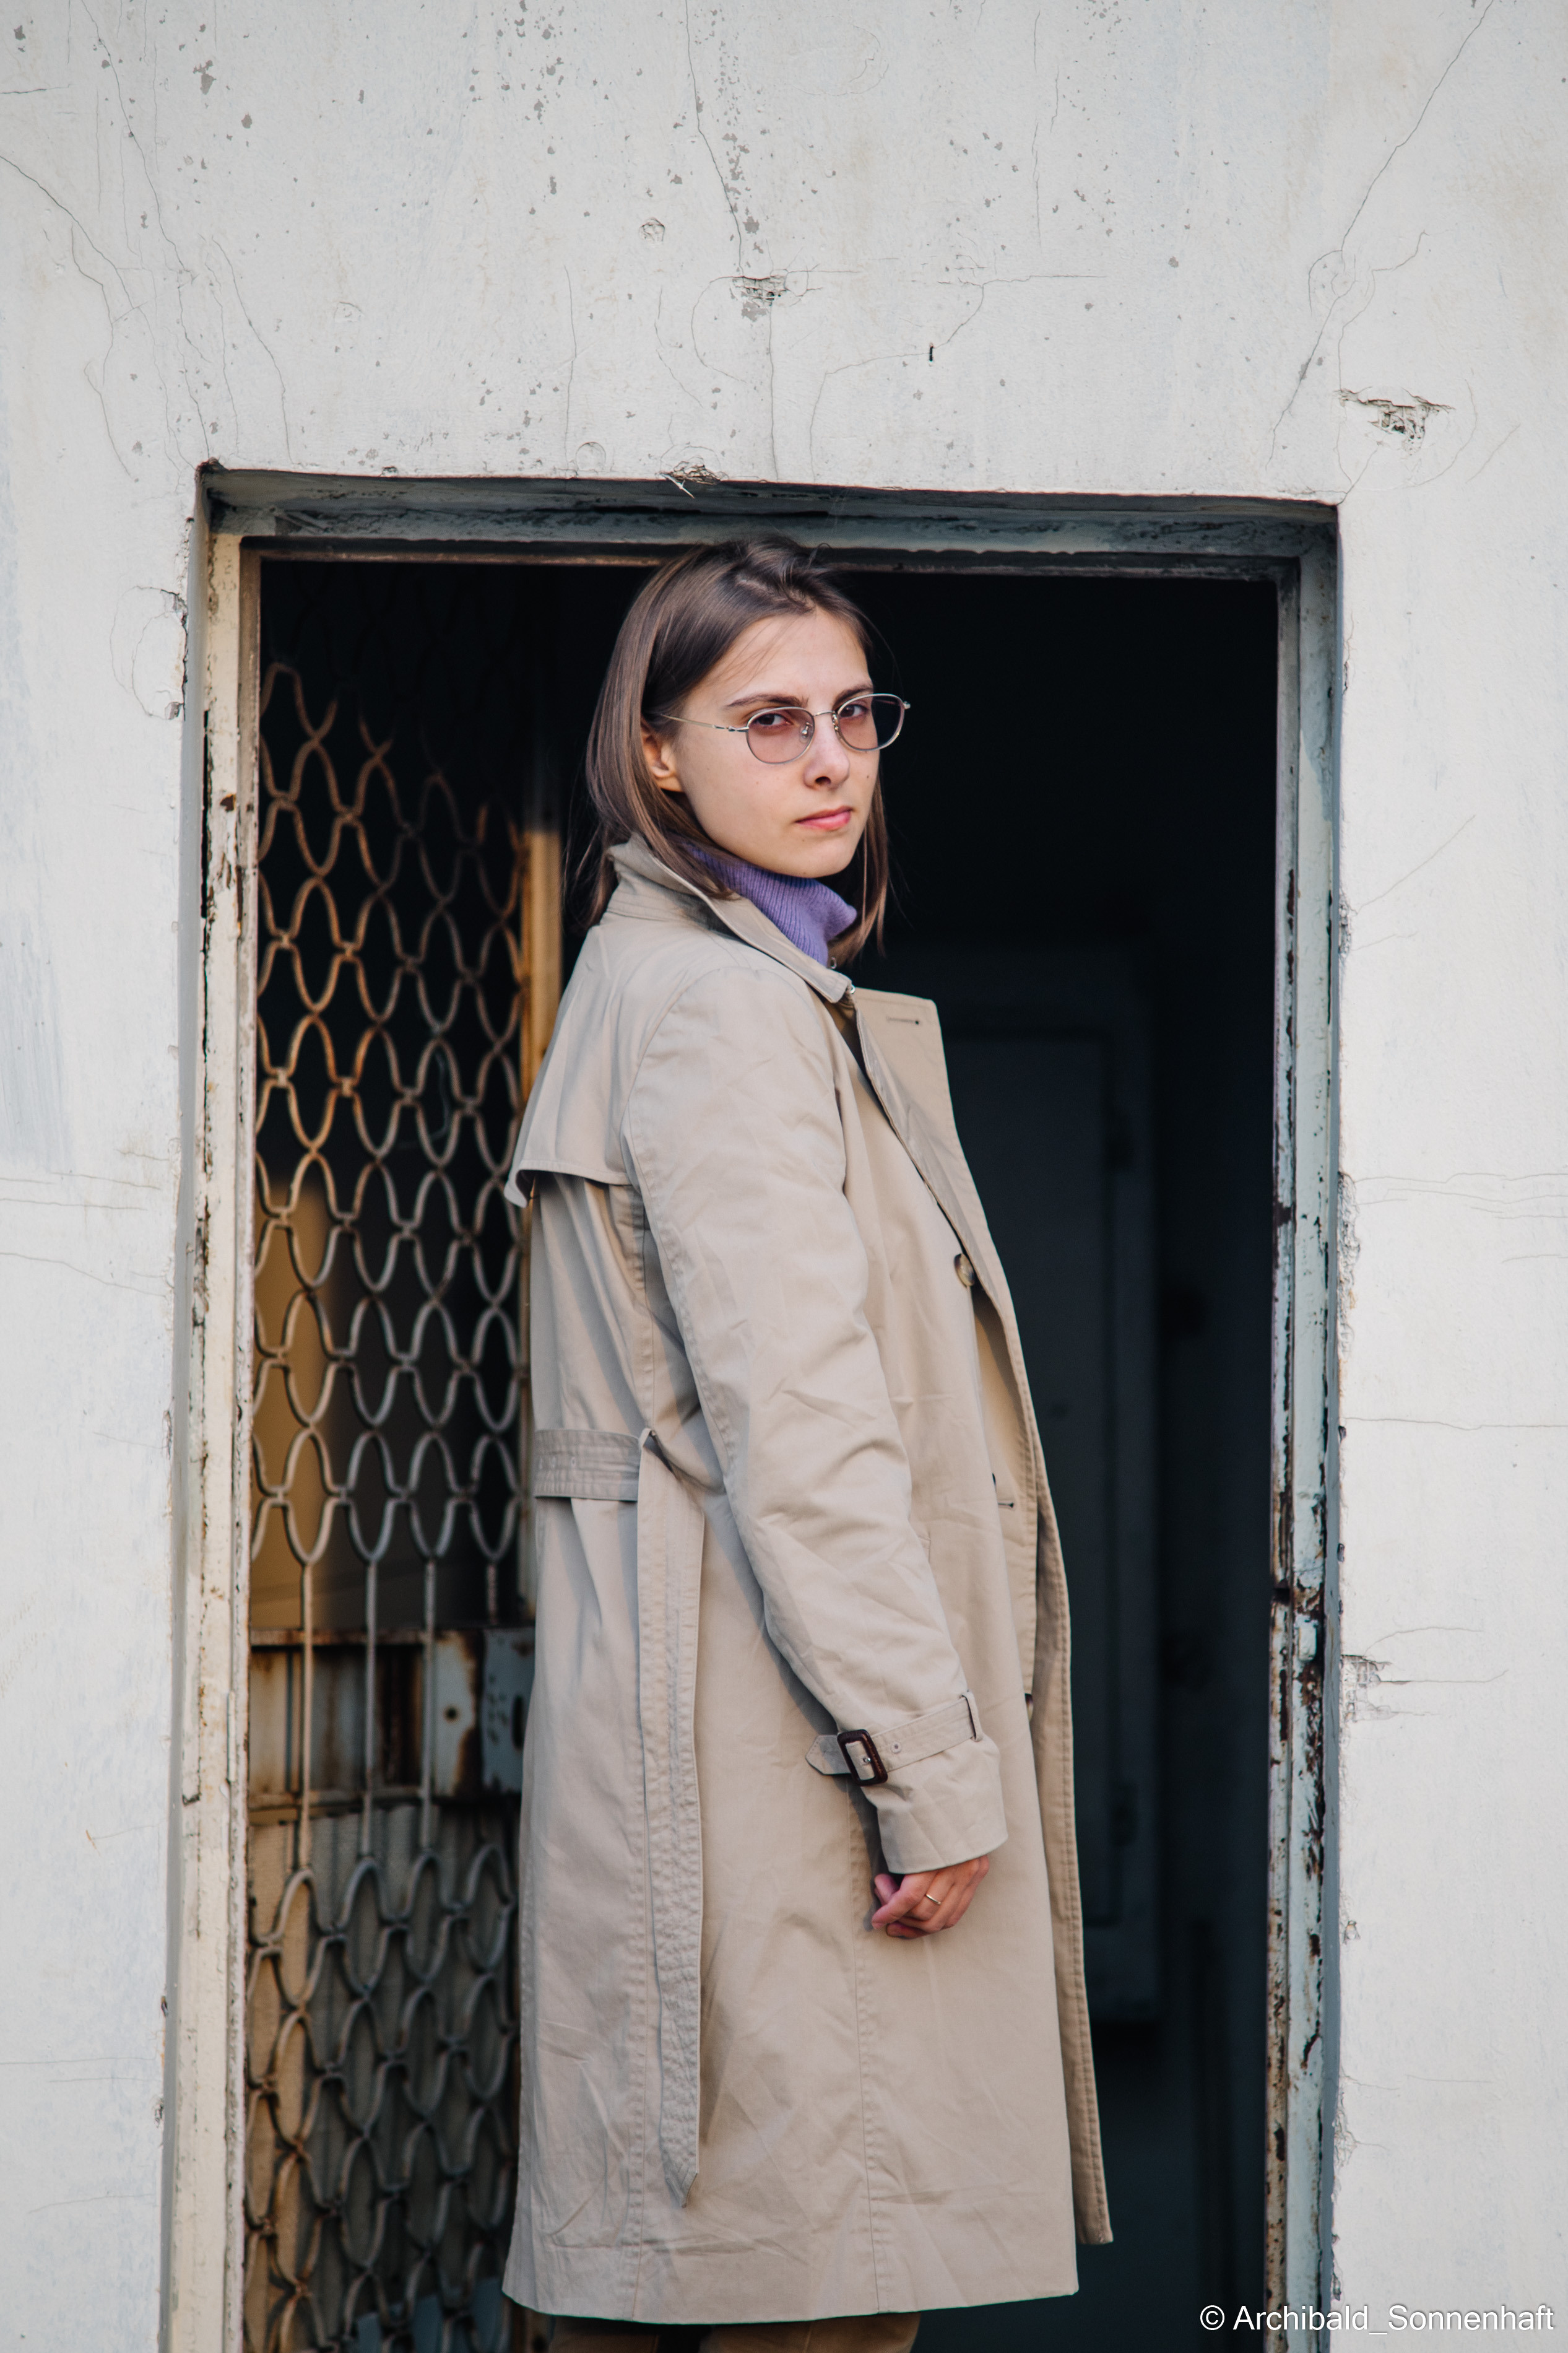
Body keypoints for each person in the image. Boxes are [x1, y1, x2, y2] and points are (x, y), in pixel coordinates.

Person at [501, 537, 1109, 2351]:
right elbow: (806, 1433)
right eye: (771, 721)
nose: (832, 759)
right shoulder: (721, 1014)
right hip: (790, 1776)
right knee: (816, 2300)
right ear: (660, 751)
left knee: (751, 2284)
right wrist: (924, 1764)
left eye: (856, 714)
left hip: (740, 1746)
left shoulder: (725, 986)